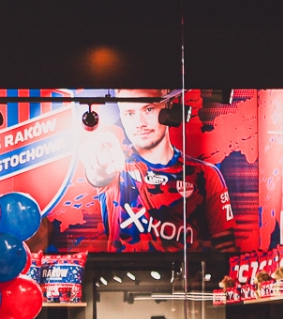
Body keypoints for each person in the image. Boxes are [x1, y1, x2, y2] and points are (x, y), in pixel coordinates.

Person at [88, 92, 237, 253]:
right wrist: (98, 160)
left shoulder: (205, 175)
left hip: (185, 270)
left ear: (169, 107)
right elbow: (98, 174)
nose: (140, 123)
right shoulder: (115, 165)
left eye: (149, 109)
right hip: (123, 269)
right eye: (130, 113)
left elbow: (225, 249)